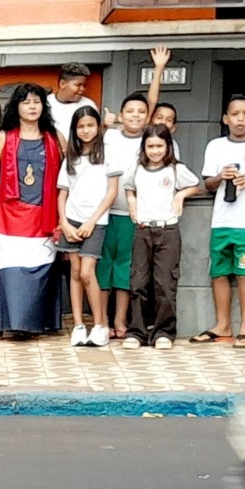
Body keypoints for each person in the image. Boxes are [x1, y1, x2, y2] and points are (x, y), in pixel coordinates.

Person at [0, 84, 63, 342]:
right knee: (8, 271)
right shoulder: (3, 137)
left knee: (41, 269)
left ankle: (36, 324)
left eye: (37, 102)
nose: (32, 107)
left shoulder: (54, 137)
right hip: (10, 214)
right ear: (17, 107)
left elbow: (71, 168)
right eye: (27, 102)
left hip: (44, 215)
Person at [122, 125, 199, 349]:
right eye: (150, 146)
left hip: (167, 231)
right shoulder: (136, 169)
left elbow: (195, 185)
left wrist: (181, 194)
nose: (155, 151)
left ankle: (163, 332)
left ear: (168, 147)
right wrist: (132, 201)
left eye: (159, 146)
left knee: (165, 283)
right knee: (138, 282)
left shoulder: (175, 170)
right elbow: (128, 188)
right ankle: (136, 331)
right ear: (143, 148)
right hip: (143, 230)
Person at [57, 105, 119, 348]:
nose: (86, 130)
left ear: (99, 126)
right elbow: (62, 193)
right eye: (80, 126)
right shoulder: (70, 157)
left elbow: (112, 192)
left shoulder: (108, 154)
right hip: (71, 221)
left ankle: (101, 325)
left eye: (91, 125)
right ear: (74, 129)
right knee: (74, 272)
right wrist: (63, 222)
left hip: (96, 222)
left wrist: (92, 220)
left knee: (86, 272)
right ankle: (79, 326)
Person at [196, 95, 245, 346]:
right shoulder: (215, 146)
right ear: (225, 119)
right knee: (219, 272)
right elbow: (207, 183)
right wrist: (221, 176)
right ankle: (222, 324)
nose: (241, 119)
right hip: (221, 220)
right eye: (236, 114)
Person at [99, 92, 151, 341]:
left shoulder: (151, 140)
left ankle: (120, 320)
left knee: (125, 269)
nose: (136, 116)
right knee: (103, 266)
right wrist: (103, 125)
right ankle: (102, 321)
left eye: (142, 111)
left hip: (133, 216)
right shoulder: (109, 136)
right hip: (105, 212)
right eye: (130, 111)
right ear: (121, 115)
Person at [45, 62, 94, 133]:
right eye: (78, 85)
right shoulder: (46, 103)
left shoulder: (88, 105)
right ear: (62, 84)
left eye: (84, 85)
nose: (82, 89)